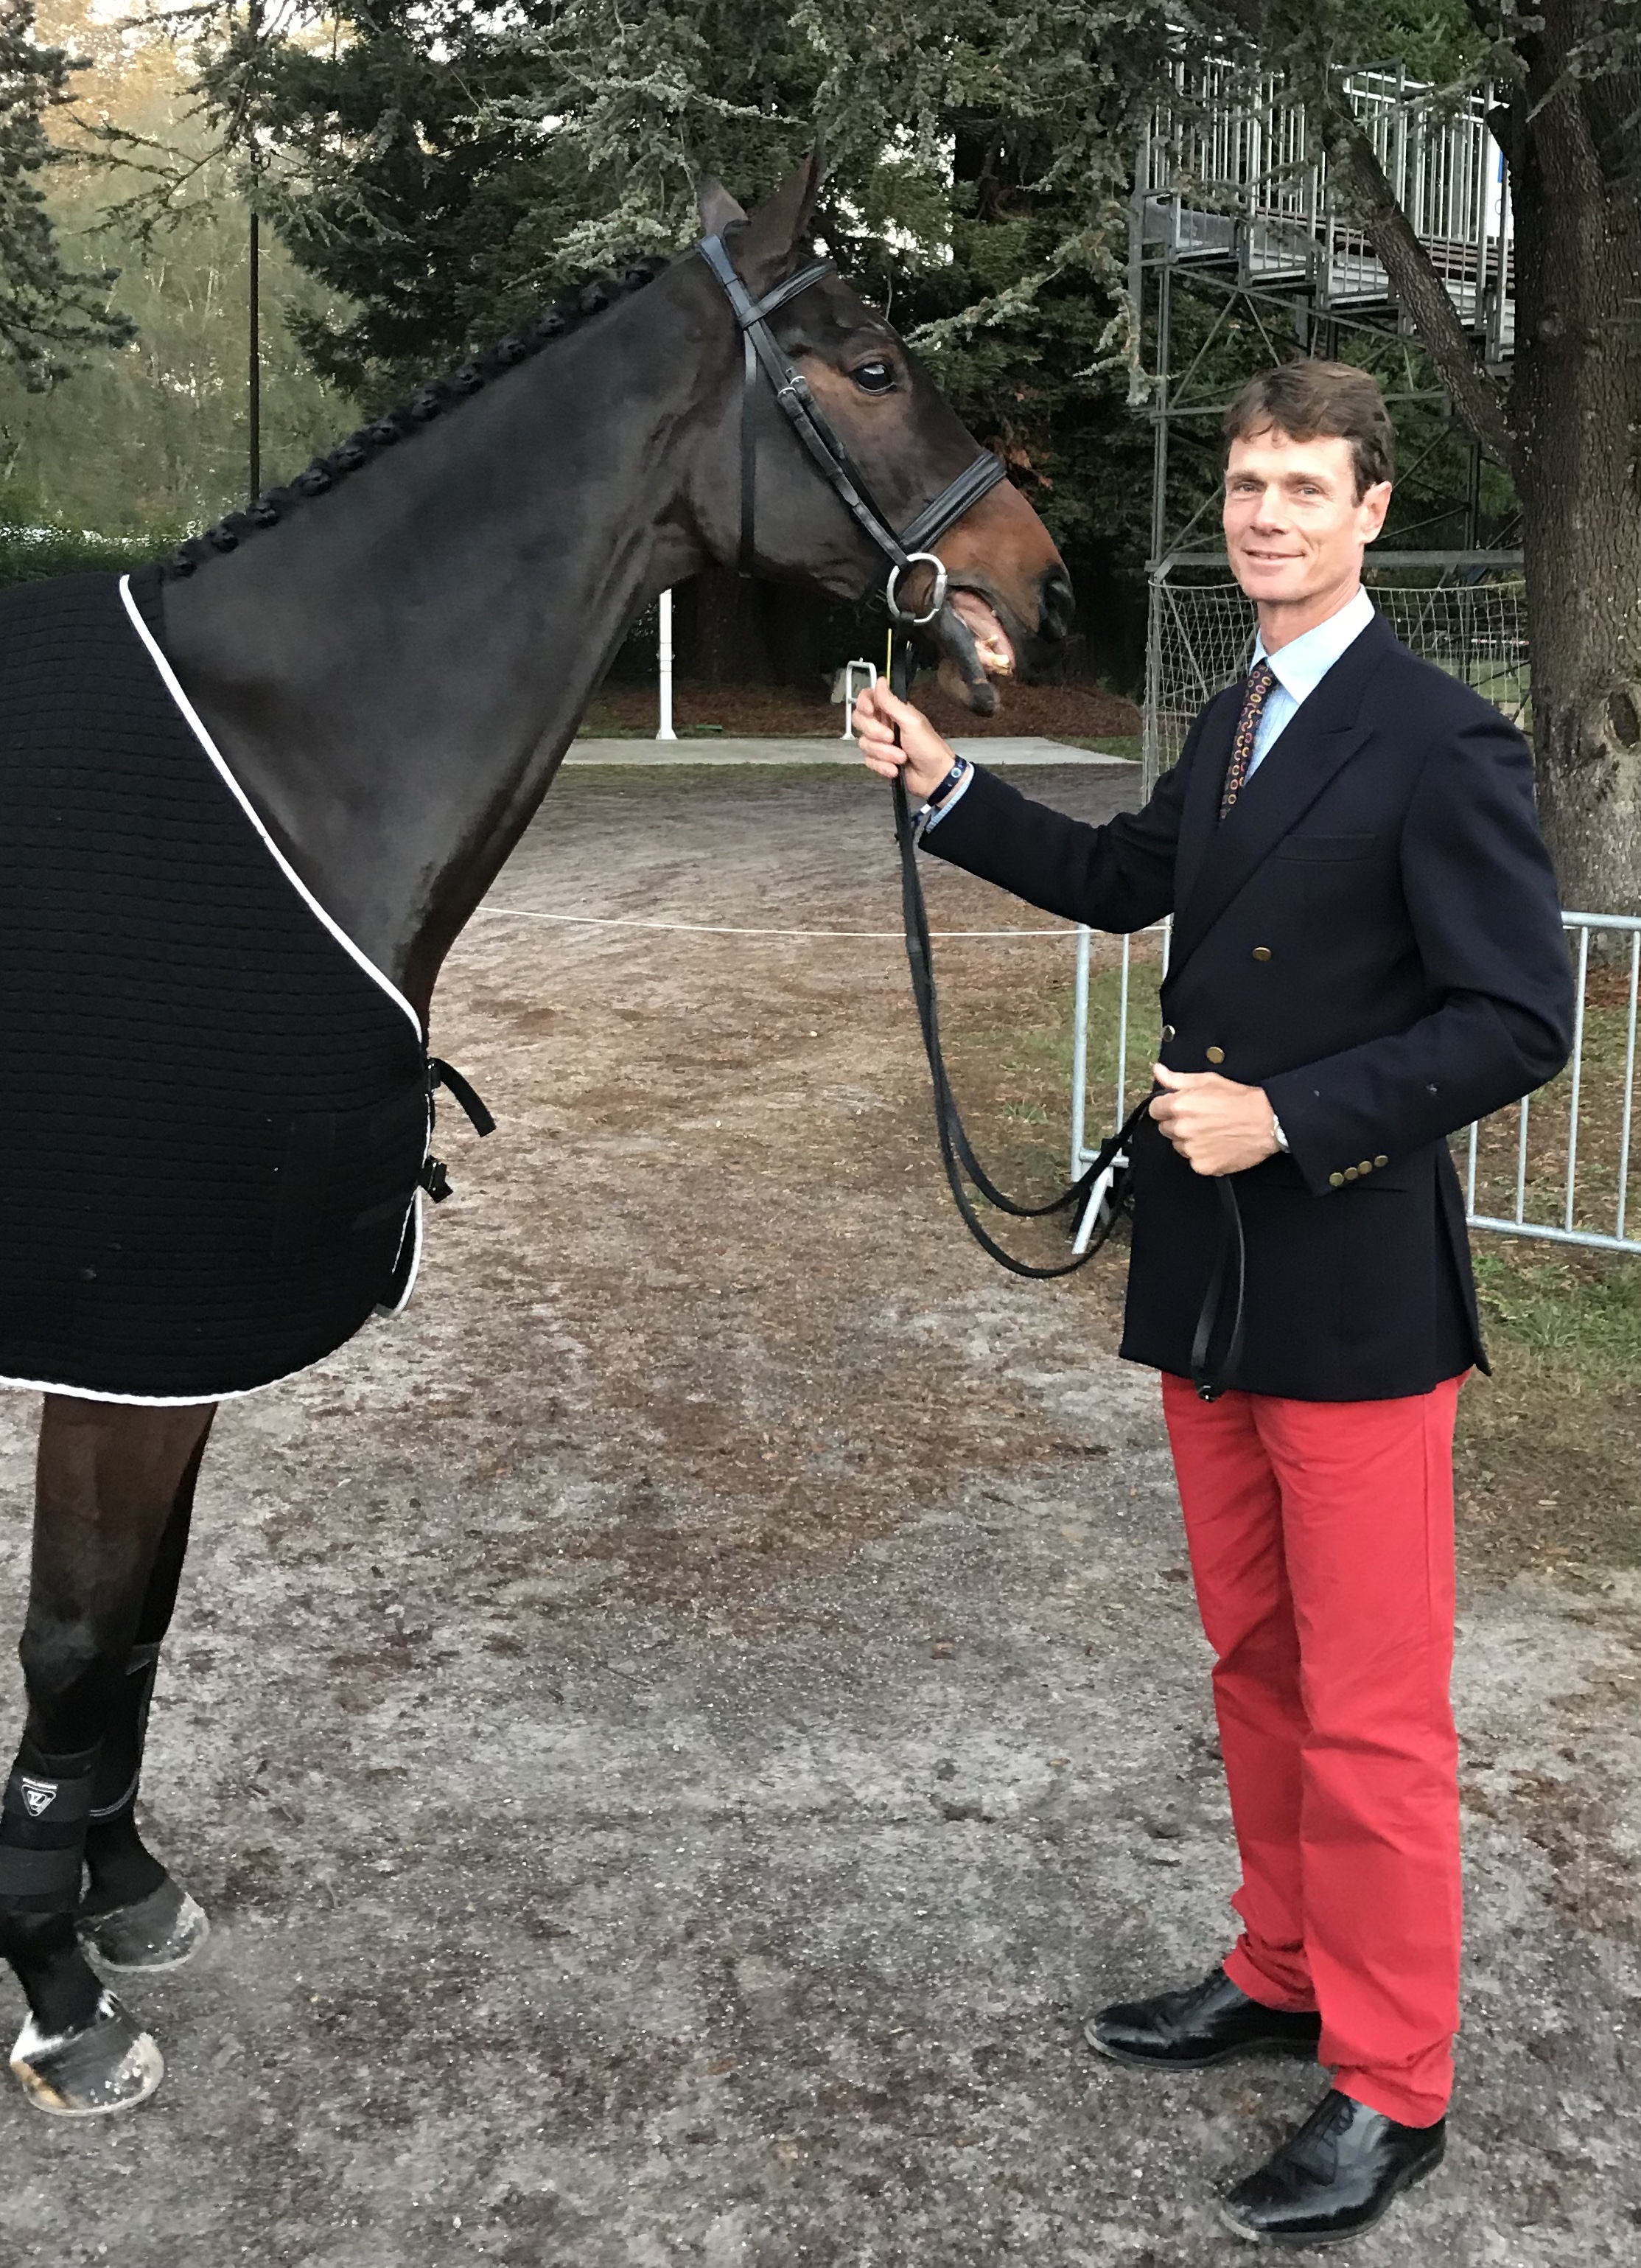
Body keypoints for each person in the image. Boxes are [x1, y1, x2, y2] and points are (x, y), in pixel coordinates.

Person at [854, 360, 1574, 2247]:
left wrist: (1292, 1116)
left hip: (1352, 1291)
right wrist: (946, 788)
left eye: (1302, 487)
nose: (1265, 515)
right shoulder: (1237, 711)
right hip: (1208, 1281)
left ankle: (1393, 2079)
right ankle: (1282, 1970)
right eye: (1248, 484)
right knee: (1254, 1662)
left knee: (1372, 1709)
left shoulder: (1442, 737)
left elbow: (1519, 1018)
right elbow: (1124, 882)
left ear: (1371, 512)